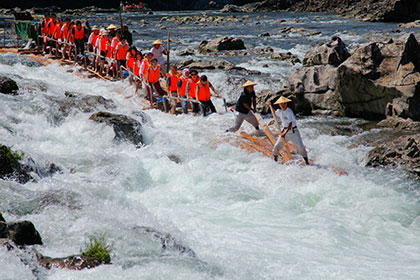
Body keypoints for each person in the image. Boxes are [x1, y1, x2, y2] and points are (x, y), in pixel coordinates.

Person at [269, 96, 309, 164]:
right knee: (277, 146)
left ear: (286, 103)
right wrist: (269, 105)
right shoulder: (280, 111)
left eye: (284, 103)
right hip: (284, 131)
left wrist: (284, 133)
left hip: (293, 132)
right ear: (279, 105)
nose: (283, 105)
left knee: (301, 148)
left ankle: (306, 161)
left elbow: (290, 124)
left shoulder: (289, 111)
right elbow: (275, 113)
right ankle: (275, 159)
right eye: (281, 104)